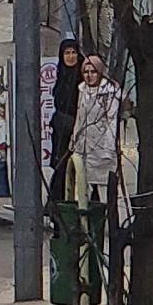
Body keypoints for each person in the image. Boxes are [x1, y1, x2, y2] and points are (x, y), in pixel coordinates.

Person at [67, 54, 124, 220]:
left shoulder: (110, 93)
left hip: (103, 148)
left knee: (106, 187)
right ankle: (82, 223)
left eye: (93, 72)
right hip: (84, 146)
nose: (89, 75)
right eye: (86, 72)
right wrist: (74, 139)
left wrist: (109, 148)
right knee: (82, 187)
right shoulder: (82, 90)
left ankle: (110, 222)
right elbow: (80, 116)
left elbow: (112, 121)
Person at [47, 37, 83, 204]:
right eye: (67, 53)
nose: (70, 57)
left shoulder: (83, 77)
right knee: (60, 167)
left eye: (73, 52)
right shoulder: (61, 75)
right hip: (61, 129)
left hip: (79, 129)